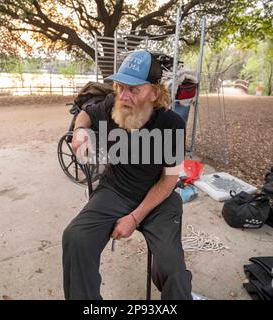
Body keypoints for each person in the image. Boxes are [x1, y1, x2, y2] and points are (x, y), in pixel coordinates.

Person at [62, 50, 192, 300]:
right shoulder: (113, 105)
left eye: (134, 89)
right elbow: (86, 113)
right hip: (115, 190)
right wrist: (79, 130)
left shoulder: (172, 124)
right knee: (75, 238)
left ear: (155, 93)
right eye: (120, 87)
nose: (124, 96)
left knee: (172, 270)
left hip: (158, 199)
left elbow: (169, 180)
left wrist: (134, 218)